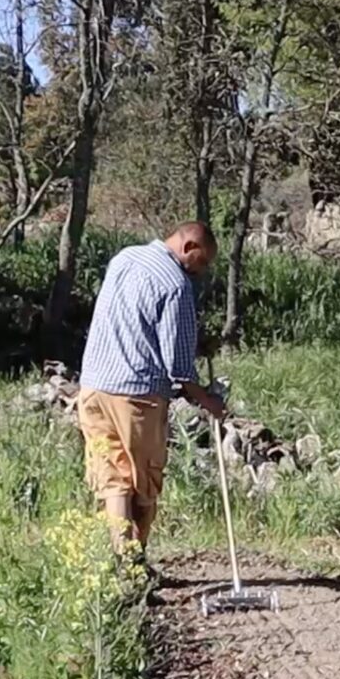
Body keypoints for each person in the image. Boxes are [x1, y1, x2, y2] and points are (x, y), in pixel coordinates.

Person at [77, 221, 227, 560]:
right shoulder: (175, 285)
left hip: (93, 387)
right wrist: (208, 401)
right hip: (137, 395)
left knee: (114, 481)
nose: (201, 272)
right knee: (144, 486)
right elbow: (178, 366)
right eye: (202, 262)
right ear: (189, 247)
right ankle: (135, 563)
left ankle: (123, 569)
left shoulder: (125, 258)